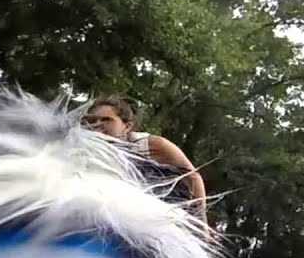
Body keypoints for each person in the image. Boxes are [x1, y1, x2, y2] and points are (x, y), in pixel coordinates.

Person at [83, 96, 212, 234]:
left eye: (106, 120)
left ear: (127, 126)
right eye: (92, 120)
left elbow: (192, 177)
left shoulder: (151, 145)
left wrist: (201, 223)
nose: (97, 125)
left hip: (163, 210)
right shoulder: (84, 151)